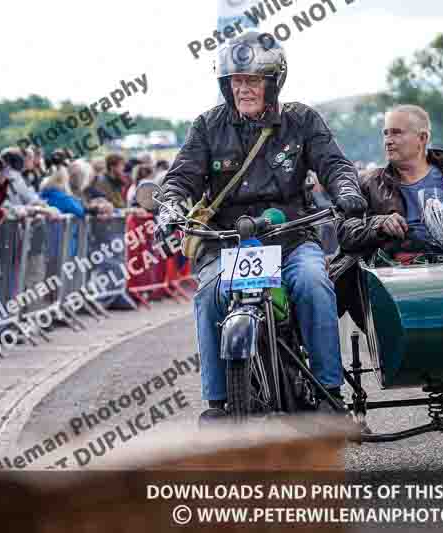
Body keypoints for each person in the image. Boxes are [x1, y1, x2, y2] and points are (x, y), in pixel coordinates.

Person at [157, 31, 366, 420]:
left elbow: (334, 164)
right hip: (227, 242)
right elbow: (181, 176)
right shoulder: (207, 126)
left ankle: (330, 393)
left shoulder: (302, 120)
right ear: (226, 84)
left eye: (253, 81)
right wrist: (169, 206)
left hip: (290, 237)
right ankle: (217, 404)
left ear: (272, 83)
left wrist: (347, 189)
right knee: (207, 296)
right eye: (237, 81)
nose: (244, 89)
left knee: (313, 283)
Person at [333, 104, 443, 329]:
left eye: (397, 132)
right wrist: (378, 224)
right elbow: (345, 231)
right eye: (386, 133)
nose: (388, 140)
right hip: (394, 284)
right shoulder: (369, 183)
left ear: (422, 138)